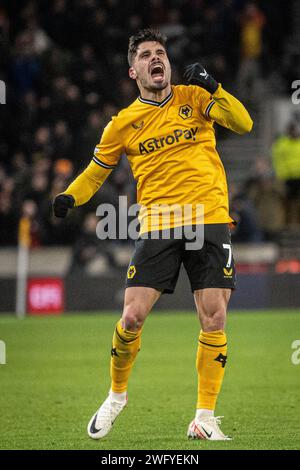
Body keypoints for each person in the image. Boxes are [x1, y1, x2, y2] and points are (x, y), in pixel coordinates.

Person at [53, 29, 253, 441]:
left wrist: (214, 85)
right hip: (159, 223)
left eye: (160, 52)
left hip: (209, 216)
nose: (155, 58)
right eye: (146, 55)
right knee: (131, 316)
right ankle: (116, 395)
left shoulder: (195, 98)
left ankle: (204, 417)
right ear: (134, 70)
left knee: (214, 318)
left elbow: (244, 123)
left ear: (168, 63)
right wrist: (70, 197)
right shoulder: (123, 124)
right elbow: (95, 173)